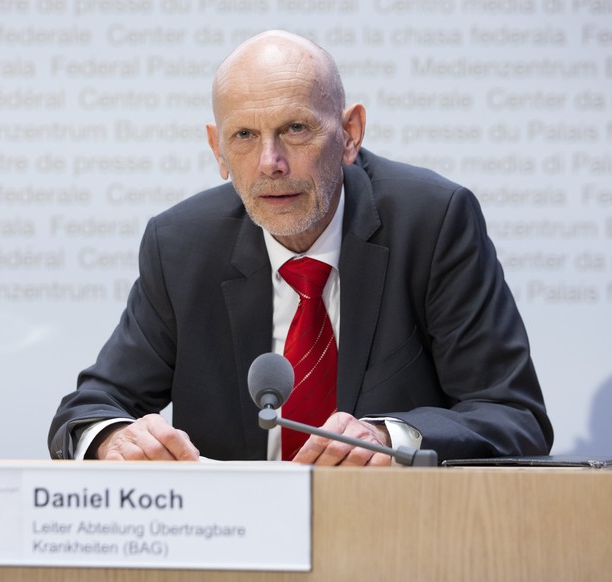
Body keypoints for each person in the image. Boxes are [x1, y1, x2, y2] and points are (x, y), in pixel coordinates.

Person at [48, 30, 554, 466]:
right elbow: (90, 407)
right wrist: (113, 438)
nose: (271, 163)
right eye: (244, 135)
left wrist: (388, 438)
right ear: (218, 151)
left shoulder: (433, 223)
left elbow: (511, 415)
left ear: (350, 134)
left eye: (295, 129)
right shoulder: (181, 244)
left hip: (392, 536)